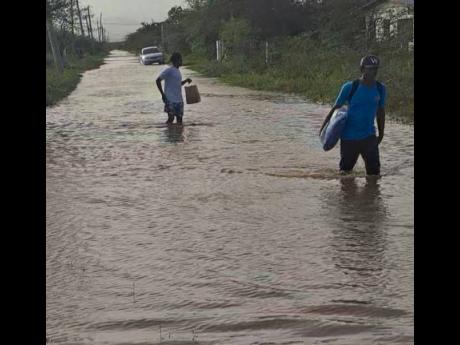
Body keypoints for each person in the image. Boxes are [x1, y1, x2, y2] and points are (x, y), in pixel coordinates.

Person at [319, 55, 386, 176]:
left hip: (369, 136)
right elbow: (336, 108)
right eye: (369, 68)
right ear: (362, 69)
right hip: (349, 137)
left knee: (375, 175)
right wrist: (323, 130)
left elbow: (380, 112)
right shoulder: (350, 87)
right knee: (345, 174)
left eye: (375, 69)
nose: (373, 72)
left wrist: (381, 134)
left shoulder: (380, 89)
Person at [156, 52, 192, 124]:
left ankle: (176, 135)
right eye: (180, 59)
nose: (181, 61)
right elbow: (158, 80)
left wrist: (186, 81)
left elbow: (178, 84)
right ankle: (169, 133)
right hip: (170, 99)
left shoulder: (178, 71)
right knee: (171, 118)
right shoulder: (169, 70)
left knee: (179, 121)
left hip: (179, 100)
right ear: (176, 60)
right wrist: (163, 95)